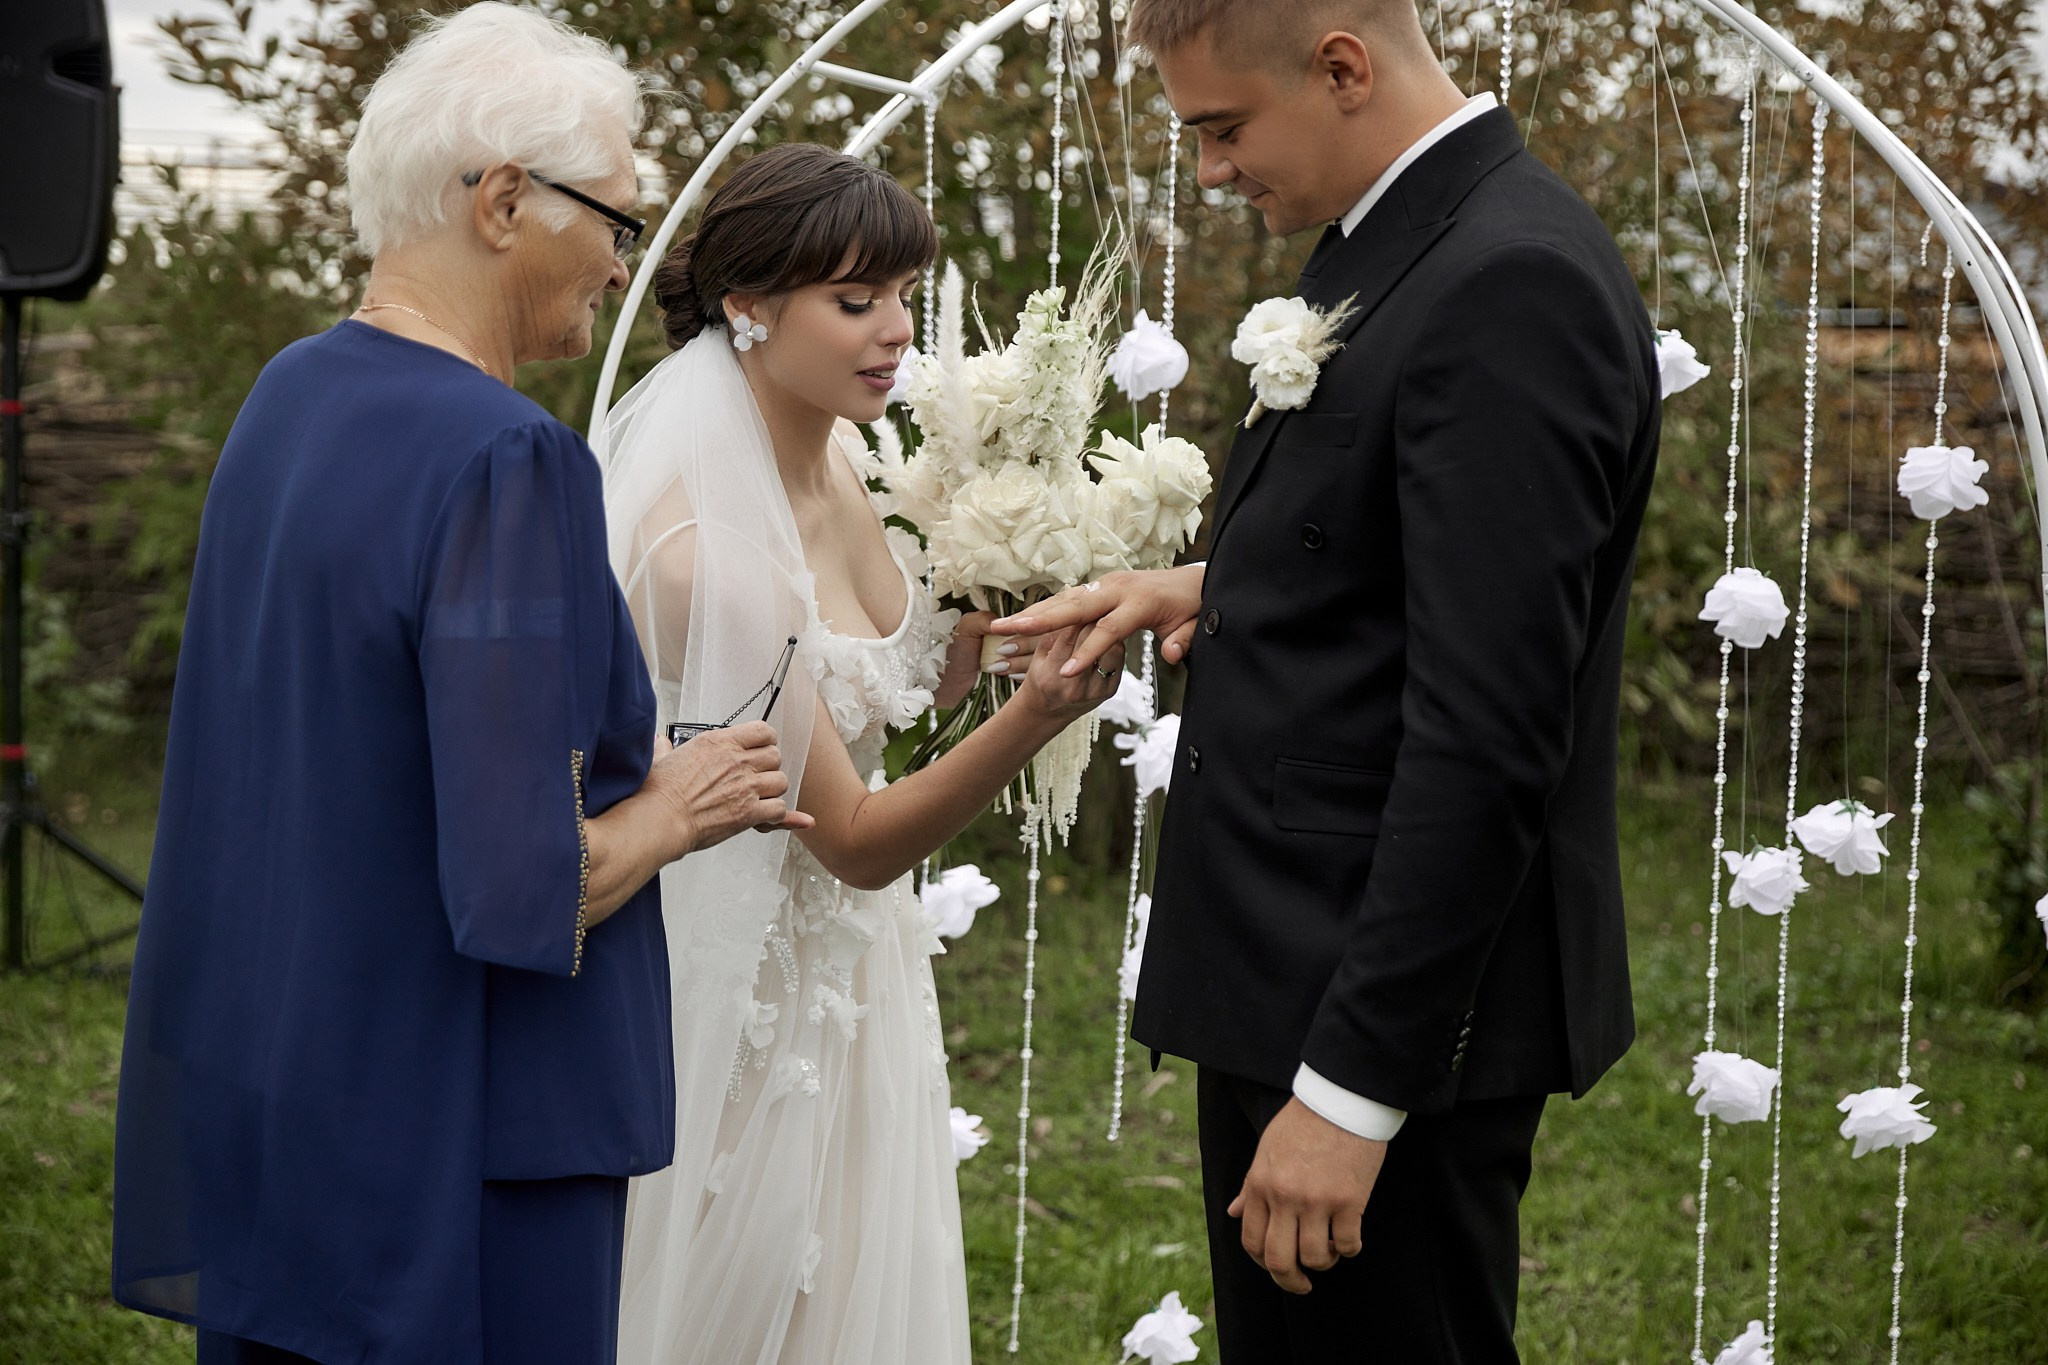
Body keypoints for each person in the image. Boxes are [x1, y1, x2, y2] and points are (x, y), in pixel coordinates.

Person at [112, 8, 803, 1363]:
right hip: (465, 1134)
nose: (622, 259)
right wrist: (683, 800)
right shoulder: (508, 459)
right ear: (503, 203)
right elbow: (522, 888)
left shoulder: (289, 398)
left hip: (292, 1086)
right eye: (614, 216)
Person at [993, 1, 1659, 1359]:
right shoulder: (1400, 246)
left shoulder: (1509, 281)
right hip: (1287, 967)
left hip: (1375, 1016)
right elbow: (1407, 568)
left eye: (1224, 127)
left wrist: (1353, 1093)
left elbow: (1488, 731)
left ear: (1344, 67)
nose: (1211, 173)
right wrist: (1208, 587)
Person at [599, 142, 1122, 1365]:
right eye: (854, 302)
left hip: (853, 981)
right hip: (746, 997)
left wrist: (1002, 615)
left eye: (901, 296)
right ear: (747, 308)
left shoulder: (838, 450)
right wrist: (1036, 713)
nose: (895, 332)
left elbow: (874, 686)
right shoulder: (707, 552)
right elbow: (855, 844)